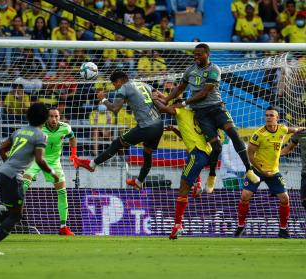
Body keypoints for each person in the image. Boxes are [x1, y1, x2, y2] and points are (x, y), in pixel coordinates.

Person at [163, 43, 260, 193]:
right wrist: (166, 99)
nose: (196, 57)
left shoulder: (214, 69)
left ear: (207, 54)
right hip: (201, 114)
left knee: (233, 134)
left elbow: (205, 92)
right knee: (216, 147)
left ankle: (249, 170)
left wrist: (184, 103)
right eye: (194, 54)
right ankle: (212, 174)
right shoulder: (190, 70)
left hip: (216, 108)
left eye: (199, 54)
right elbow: (180, 88)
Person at [0, 103, 59, 255]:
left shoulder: (19, 131)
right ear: (44, 119)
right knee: (16, 215)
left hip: (1, 174)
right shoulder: (41, 135)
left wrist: (9, 166)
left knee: (9, 211)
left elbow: (2, 148)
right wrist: (53, 173)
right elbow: (40, 160)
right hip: (12, 177)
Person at [75, 71, 164, 190]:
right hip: (159, 125)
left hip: (145, 127)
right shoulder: (142, 84)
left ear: (119, 81)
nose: (115, 88)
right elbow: (162, 97)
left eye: (114, 85)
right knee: (147, 153)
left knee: (117, 143)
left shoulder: (124, 88)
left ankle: (92, 164)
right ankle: (139, 181)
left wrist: (103, 99)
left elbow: (115, 109)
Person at [233, 107, 300, 239]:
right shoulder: (259, 134)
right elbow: (250, 155)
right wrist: (261, 170)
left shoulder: (282, 129)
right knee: (245, 195)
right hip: (258, 170)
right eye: (267, 115)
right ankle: (241, 226)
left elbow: (295, 130)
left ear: (277, 118)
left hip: (274, 172)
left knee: (285, 199)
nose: (268, 117)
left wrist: (300, 131)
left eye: (271, 115)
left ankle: (283, 229)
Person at [153, 98, 211, 239]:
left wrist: (153, 98)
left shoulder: (181, 111)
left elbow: (164, 109)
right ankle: (197, 184)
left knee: (182, 190)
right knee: (188, 157)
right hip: (206, 153)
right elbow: (187, 137)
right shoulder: (193, 115)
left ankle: (178, 224)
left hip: (198, 154)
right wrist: (174, 130)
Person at [23, 108, 77, 236]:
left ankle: (63, 227)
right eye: (51, 116)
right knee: (23, 185)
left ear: (60, 117)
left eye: (56, 116)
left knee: (62, 192)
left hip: (54, 163)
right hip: (36, 160)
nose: (54, 119)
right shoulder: (38, 128)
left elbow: (72, 138)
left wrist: (73, 154)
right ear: (47, 117)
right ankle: (9, 217)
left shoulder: (66, 128)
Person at [281, 130, 306, 209]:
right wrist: (272, 155)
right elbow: (287, 149)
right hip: (305, 173)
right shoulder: (301, 132)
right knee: (305, 202)